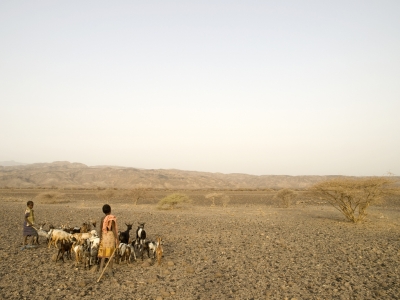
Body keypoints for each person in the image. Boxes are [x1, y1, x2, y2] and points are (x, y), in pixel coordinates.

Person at [98, 204, 119, 276]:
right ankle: (110, 271)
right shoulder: (111, 218)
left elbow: (100, 229)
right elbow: (113, 229)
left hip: (104, 236)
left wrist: (100, 238)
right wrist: (117, 239)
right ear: (110, 210)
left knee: (104, 254)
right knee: (111, 255)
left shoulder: (102, 218)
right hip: (110, 237)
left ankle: (100, 270)